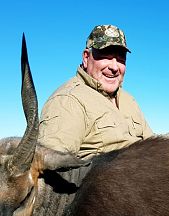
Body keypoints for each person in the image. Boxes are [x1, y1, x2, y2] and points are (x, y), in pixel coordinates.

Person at [38, 25, 153, 159]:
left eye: (121, 59)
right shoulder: (68, 100)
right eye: (106, 56)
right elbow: (49, 168)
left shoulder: (128, 99)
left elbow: (154, 146)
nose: (114, 67)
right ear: (86, 58)